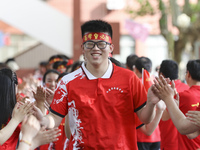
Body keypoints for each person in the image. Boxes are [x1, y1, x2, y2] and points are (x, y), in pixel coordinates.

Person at [34, 19, 160, 149]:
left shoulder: (129, 78)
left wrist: (151, 103)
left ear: (111, 47)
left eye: (101, 44)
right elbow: (55, 117)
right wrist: (44, 120)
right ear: (83, 48)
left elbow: (145, 119)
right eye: (90, 44)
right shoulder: (67, 82)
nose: (95, 49)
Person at [152, 59, 200, 150]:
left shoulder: (181, 94)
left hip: (173, 144)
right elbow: (191, 133)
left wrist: (167, 100)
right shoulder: (185, 89)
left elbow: (164, 117)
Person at [33, 69, 68, 150]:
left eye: (56, 81)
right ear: (44, 83)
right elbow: (39, 126)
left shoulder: (67, 104)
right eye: (49, 80)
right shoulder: (37, 102)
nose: (53, 84)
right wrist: (40, 103)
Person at [158, 59, 189, 150]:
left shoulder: (163, 91)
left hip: (169, 142)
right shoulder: (187, 89)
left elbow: (163, 117)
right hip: (186, 143)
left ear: (161, 75)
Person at [0, 68, 33, 149]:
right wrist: (15, 120)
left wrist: (38, 104)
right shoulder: (16, 114)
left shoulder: (15, 109)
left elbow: (37, 127)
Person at [134, 56, 161, 150]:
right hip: (157, 135)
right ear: (150, 68)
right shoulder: (157, 82)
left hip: (141, 136)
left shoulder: (135, 84)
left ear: (135, 69)